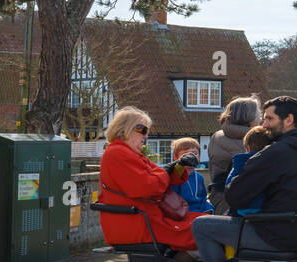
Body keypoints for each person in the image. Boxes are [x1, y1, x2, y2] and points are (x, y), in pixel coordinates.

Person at [190, 96, 297, 262]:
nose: (264, 125)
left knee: (201, 226)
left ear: (288, 119)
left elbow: (235, 197)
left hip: (279, 236)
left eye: (269, 119)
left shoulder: (276, 152)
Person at [98, 106, 202, 253]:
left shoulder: (130, 153)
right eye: (142, 130)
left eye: (147, 131)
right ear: (125, 129)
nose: (146, 136)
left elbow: (162, 176)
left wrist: (179, 166)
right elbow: (148, 187)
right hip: (138, 224)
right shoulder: (117, 153)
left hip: (145, 219)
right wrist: (167, 171)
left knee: (206, 223)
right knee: (206, 229)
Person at [208, 95, 261, 214]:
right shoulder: (252, 140)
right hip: (235, 200)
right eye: (258, 113)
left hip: (218, 196)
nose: (261, 117)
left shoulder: (217, 135)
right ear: (248, 116)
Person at [225, 125, 274, 215]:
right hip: (264, 210)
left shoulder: (240, 162)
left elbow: (228, 186)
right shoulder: (272, 162)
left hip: (241, 210)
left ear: (247, 146)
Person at [170, 138, 214, 213]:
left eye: (195, 153)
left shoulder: (199, 177)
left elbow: (203, 198)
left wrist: (208, 209)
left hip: (200, 213)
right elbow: (172, 201)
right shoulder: (174, 177)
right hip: (182, 214)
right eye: (185, 154)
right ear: (176, 158)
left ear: (199, 157)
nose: (191, 156)